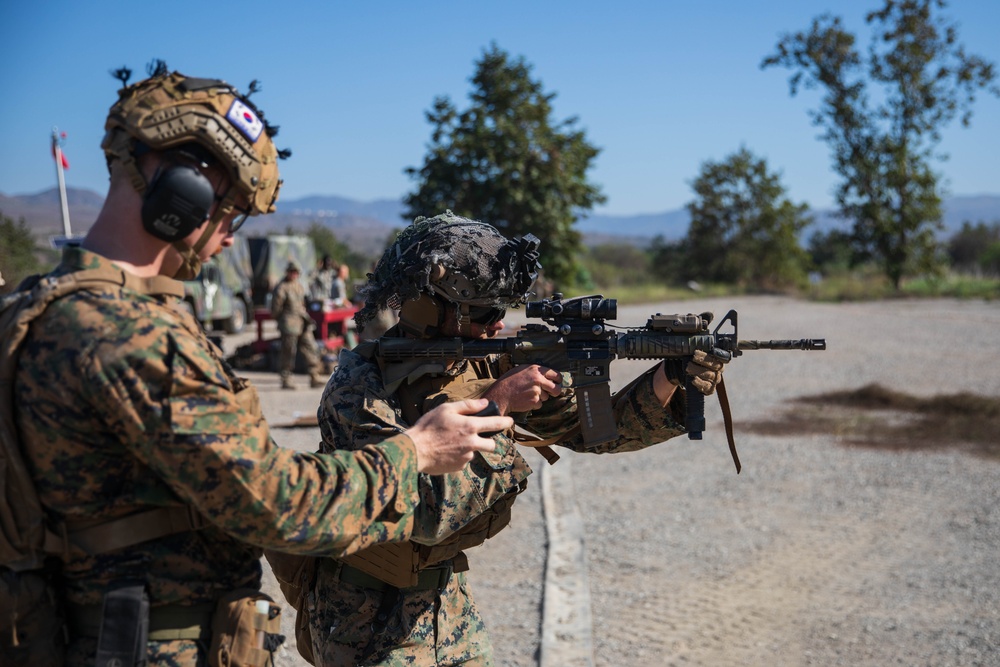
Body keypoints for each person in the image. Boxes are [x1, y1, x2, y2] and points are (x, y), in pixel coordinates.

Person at [9, 67, 511, 667]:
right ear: (184, 193)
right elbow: (279, 503)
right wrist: (417, 451)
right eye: (231, 211)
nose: (225, 238)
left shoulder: (46, 305)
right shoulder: (129, 334)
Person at [308, 212, 729, 666]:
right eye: (486, 312)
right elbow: (423, 512)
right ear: (430, 307)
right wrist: (497, 405)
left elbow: (592, 431)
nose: (497, 326)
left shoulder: (482, 361)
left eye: (503, 311)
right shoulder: (359, 389)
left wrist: (669, 376)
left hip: (447, 611)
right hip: (365, 622)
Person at [271, 260, 324, 389]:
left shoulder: (299, 286)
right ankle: (286, 379)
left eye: (296, 272)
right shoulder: (282, 287)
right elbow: (275, 309)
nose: (293, 274)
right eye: (291, 272)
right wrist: (282, 321)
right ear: (287, 272)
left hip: (302, 322)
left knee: (310, 348)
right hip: (289, 324)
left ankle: (314, 376)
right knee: (288, 351)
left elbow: (302, 304)